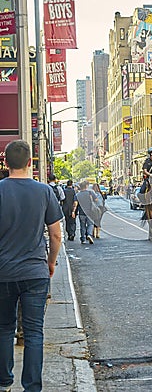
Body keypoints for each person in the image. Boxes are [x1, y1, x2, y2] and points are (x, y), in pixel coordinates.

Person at [0, 140, 62, 392]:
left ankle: (4, 383)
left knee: (4, 328)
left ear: (5, 163)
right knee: (34, 332)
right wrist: (51, 263)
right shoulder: (44, 191)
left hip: (3, 272)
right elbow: (56, 234)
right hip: (35, 272)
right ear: (29, 163)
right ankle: (32, 387)